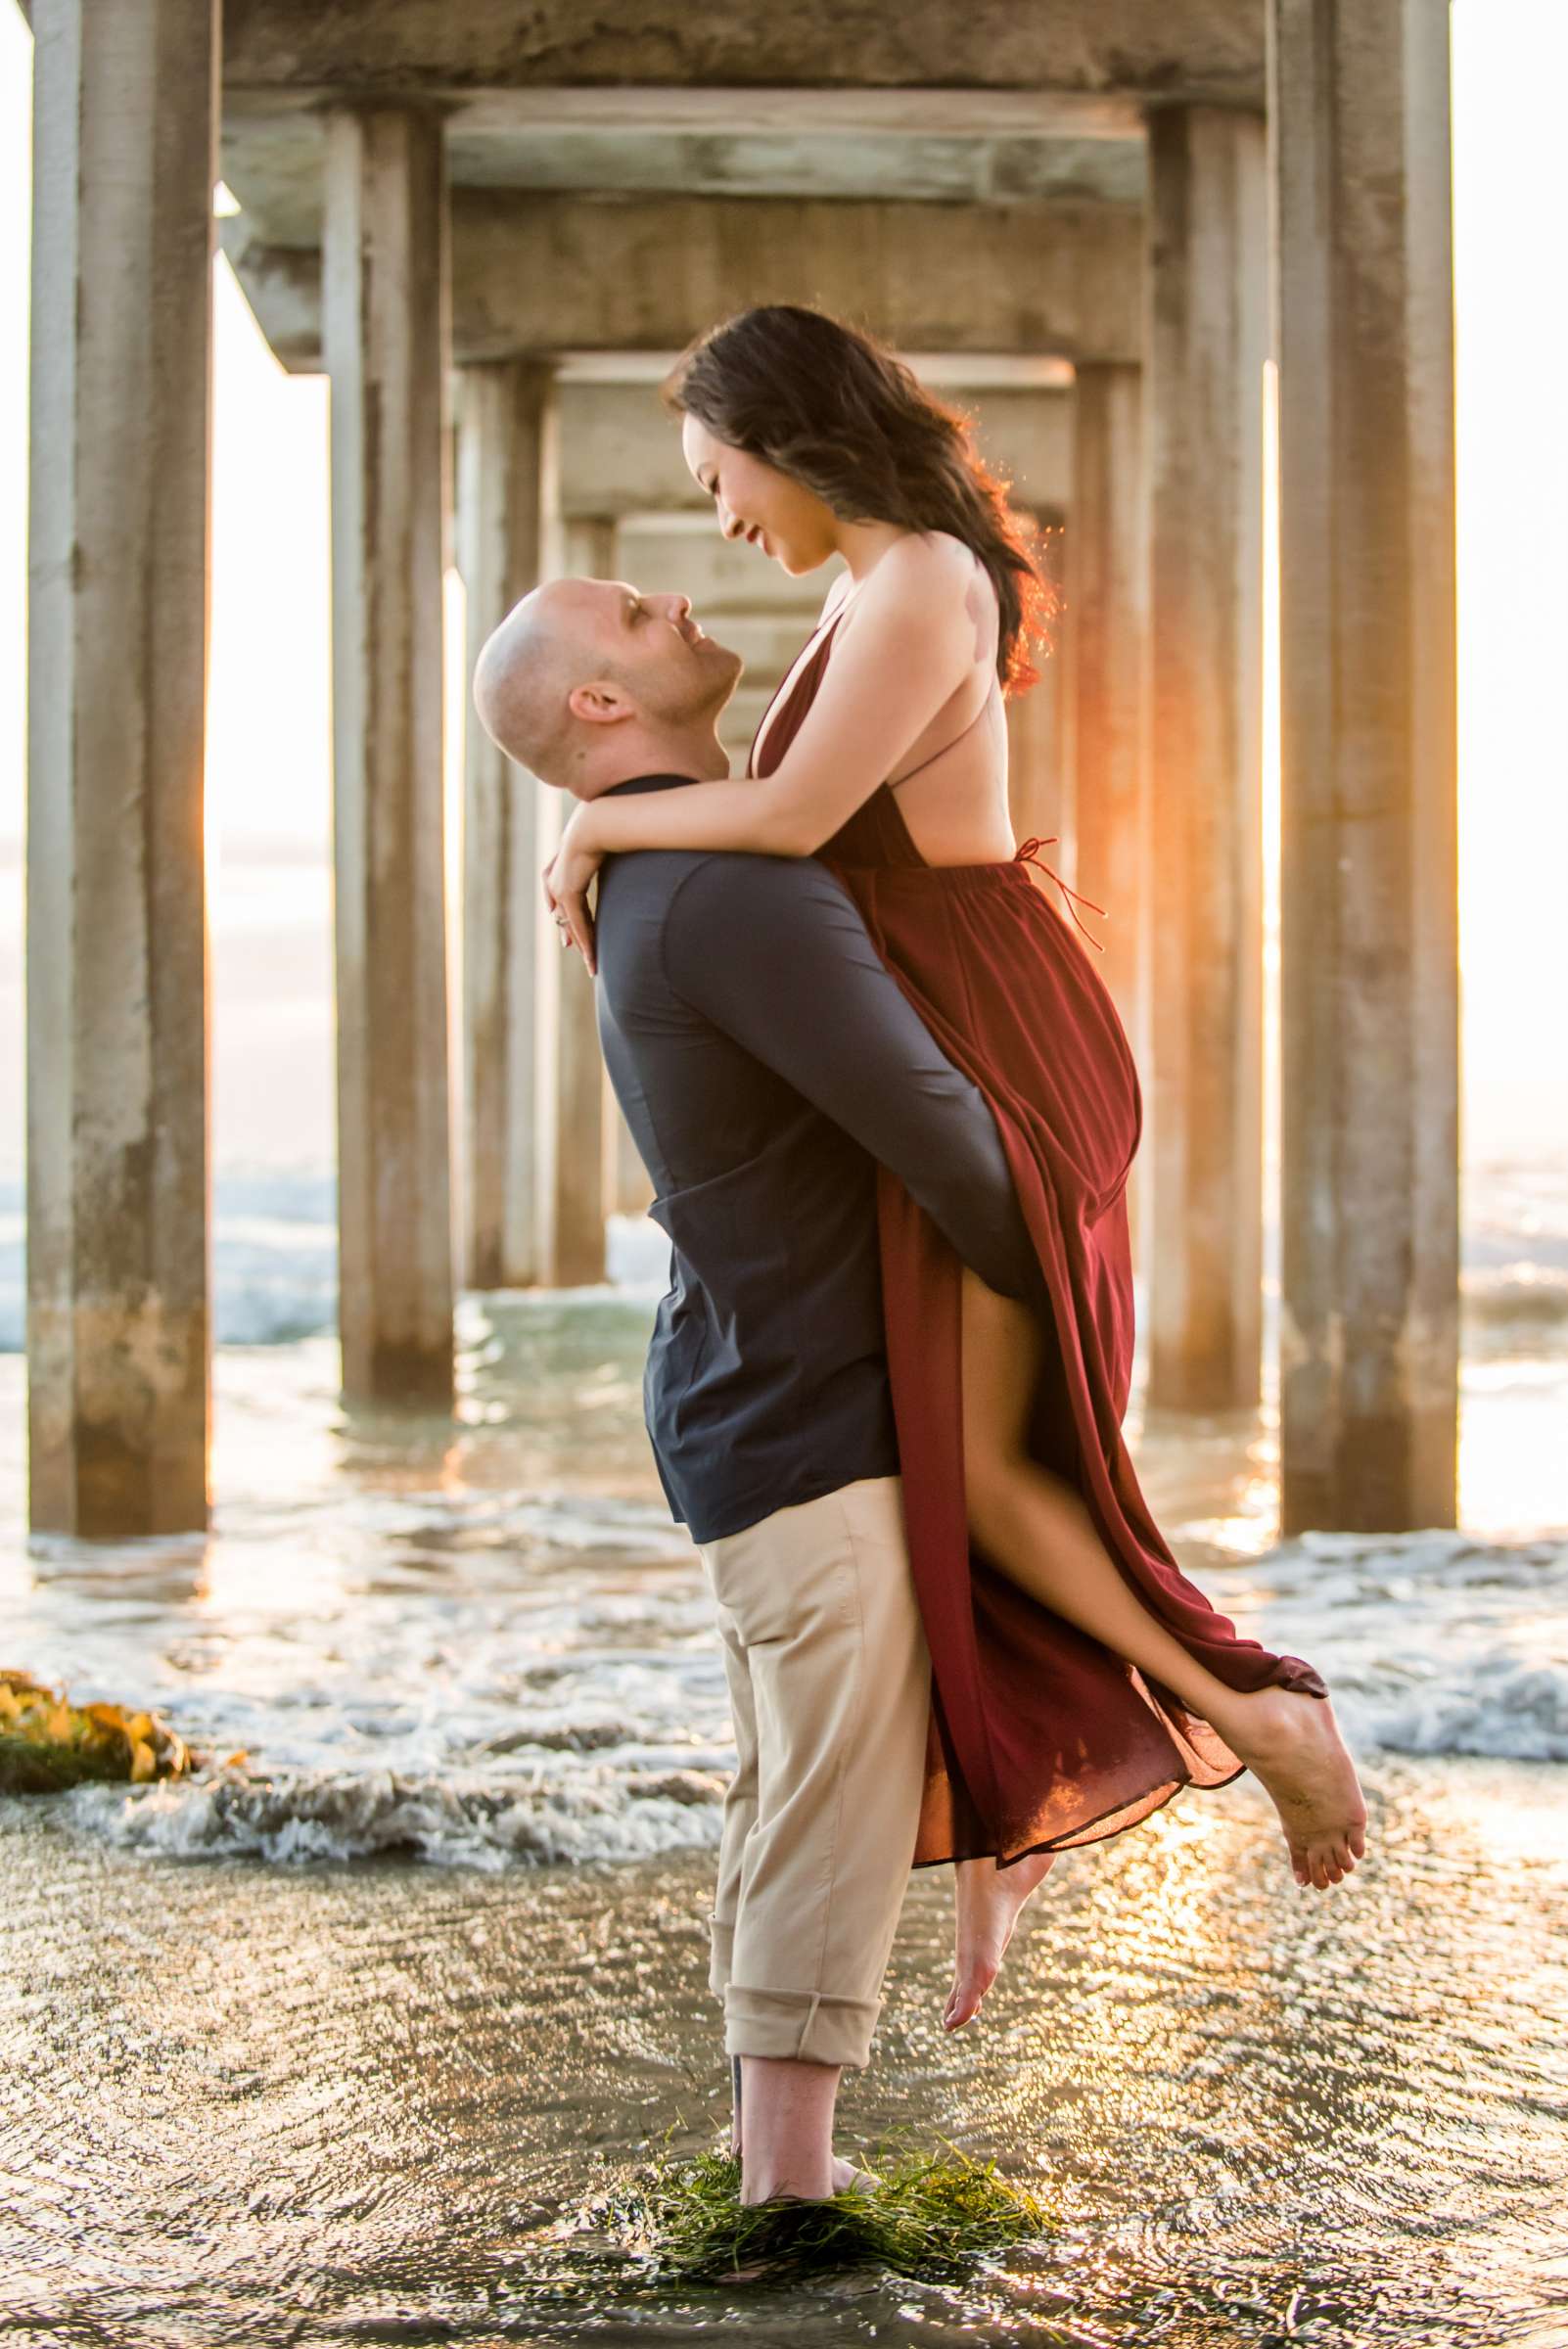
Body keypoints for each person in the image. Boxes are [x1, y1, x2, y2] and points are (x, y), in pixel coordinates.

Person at [538, 304, 1368, 1968]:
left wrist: (591, 827)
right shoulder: (872, 587)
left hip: (996, 1040)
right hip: (951, 1024)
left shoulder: (918, 576)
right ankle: (1027, 1804)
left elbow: (782, 825)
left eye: (716, 478)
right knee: (968, 1466)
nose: (718, 521)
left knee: (994, 1470)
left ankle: (1258, 1716)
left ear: (781, 434)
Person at [474, 577, 1052, 2205]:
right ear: (600, 708)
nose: (673, 592)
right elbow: (945, 1137)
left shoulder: (676, 873)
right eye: (629, 608)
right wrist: (1068, 1252)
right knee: (828, 1790)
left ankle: (762, 2152)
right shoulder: (727, 890)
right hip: (801, 1406)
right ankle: (784, 2195)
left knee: (790, 1772)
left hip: (749, 1392)